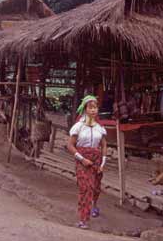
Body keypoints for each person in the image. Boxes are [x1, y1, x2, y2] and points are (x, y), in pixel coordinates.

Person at [67, 95, 108, 229]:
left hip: (96, 161)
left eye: (95, 107)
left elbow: (103, 145)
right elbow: (70, 145)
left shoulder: (99, 128)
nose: (93, 110)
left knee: (95, 187)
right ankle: (83, 219)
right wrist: (82, 159)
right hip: (82, 160)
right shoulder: (78, 127)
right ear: (85, 109)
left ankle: (94, 205)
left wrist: (102, 164)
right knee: (86, 188)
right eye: (90, 107)